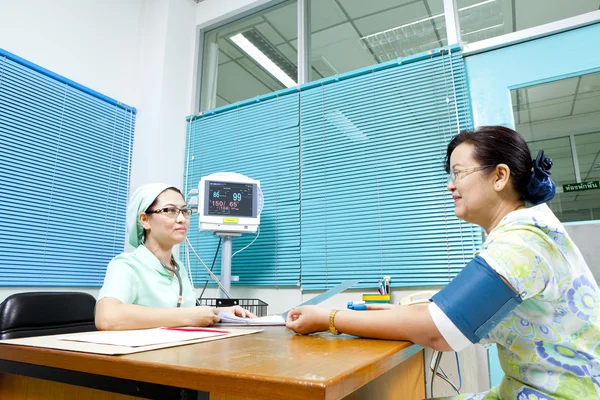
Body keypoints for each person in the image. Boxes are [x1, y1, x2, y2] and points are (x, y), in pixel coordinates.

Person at [286, 126, 600, 399]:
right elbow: (451, 312)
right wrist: (398, 311)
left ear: (500, 176)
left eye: (459, 173)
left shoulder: (521, 241)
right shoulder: (525, 229)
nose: (450, 185)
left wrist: (327, 318)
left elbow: (440, 331)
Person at [95, 183, 254, 330]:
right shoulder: (126, 265)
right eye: (169, 210)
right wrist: (188, 316)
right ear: (145, 220)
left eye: (185, 211)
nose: (182, 219)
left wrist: (219, 312)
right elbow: (107, 317)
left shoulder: (178, 268)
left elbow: (184, 314)